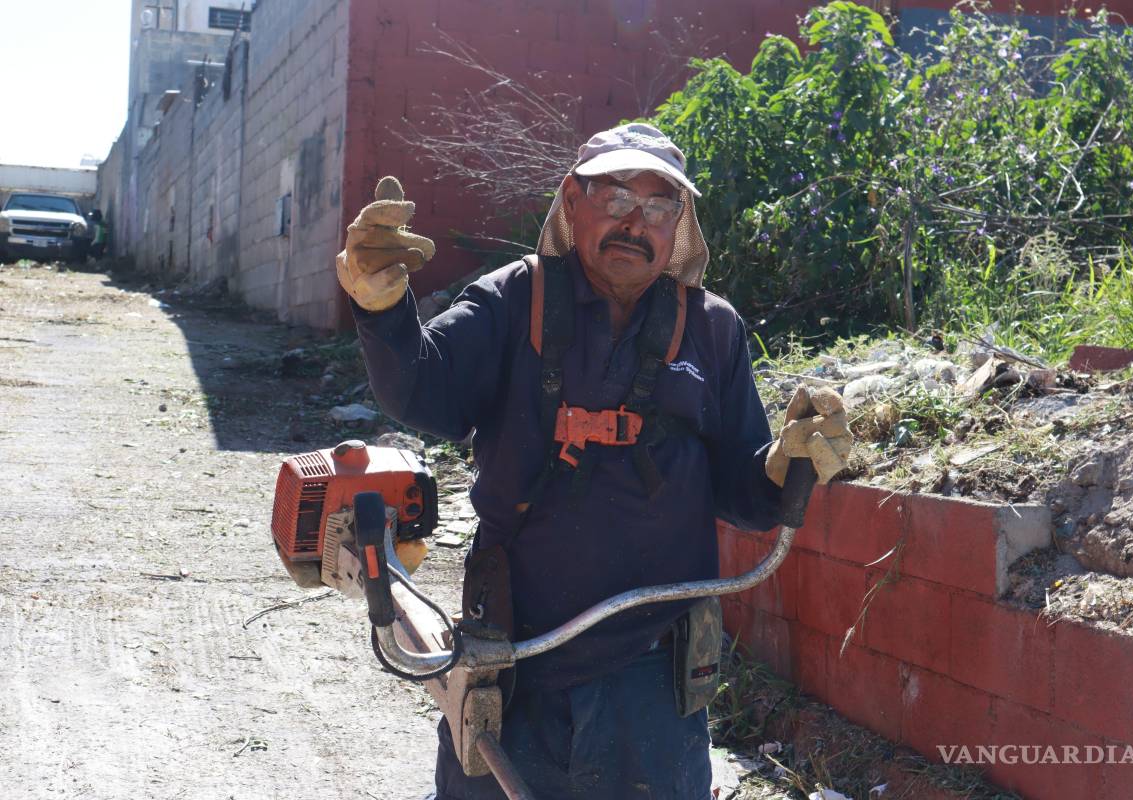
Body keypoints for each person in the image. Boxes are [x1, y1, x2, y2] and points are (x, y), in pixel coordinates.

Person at [337, 123, 851, 799]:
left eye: (658, 206)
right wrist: (381, 309)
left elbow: (747, 496)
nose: (635, 223)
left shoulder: (712, 328)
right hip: (511, 660)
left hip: (653, 687)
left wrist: (787, 465)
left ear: (680, 224)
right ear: (573, 202)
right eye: (615, 198)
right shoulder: (513, 300)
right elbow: (419, 392)